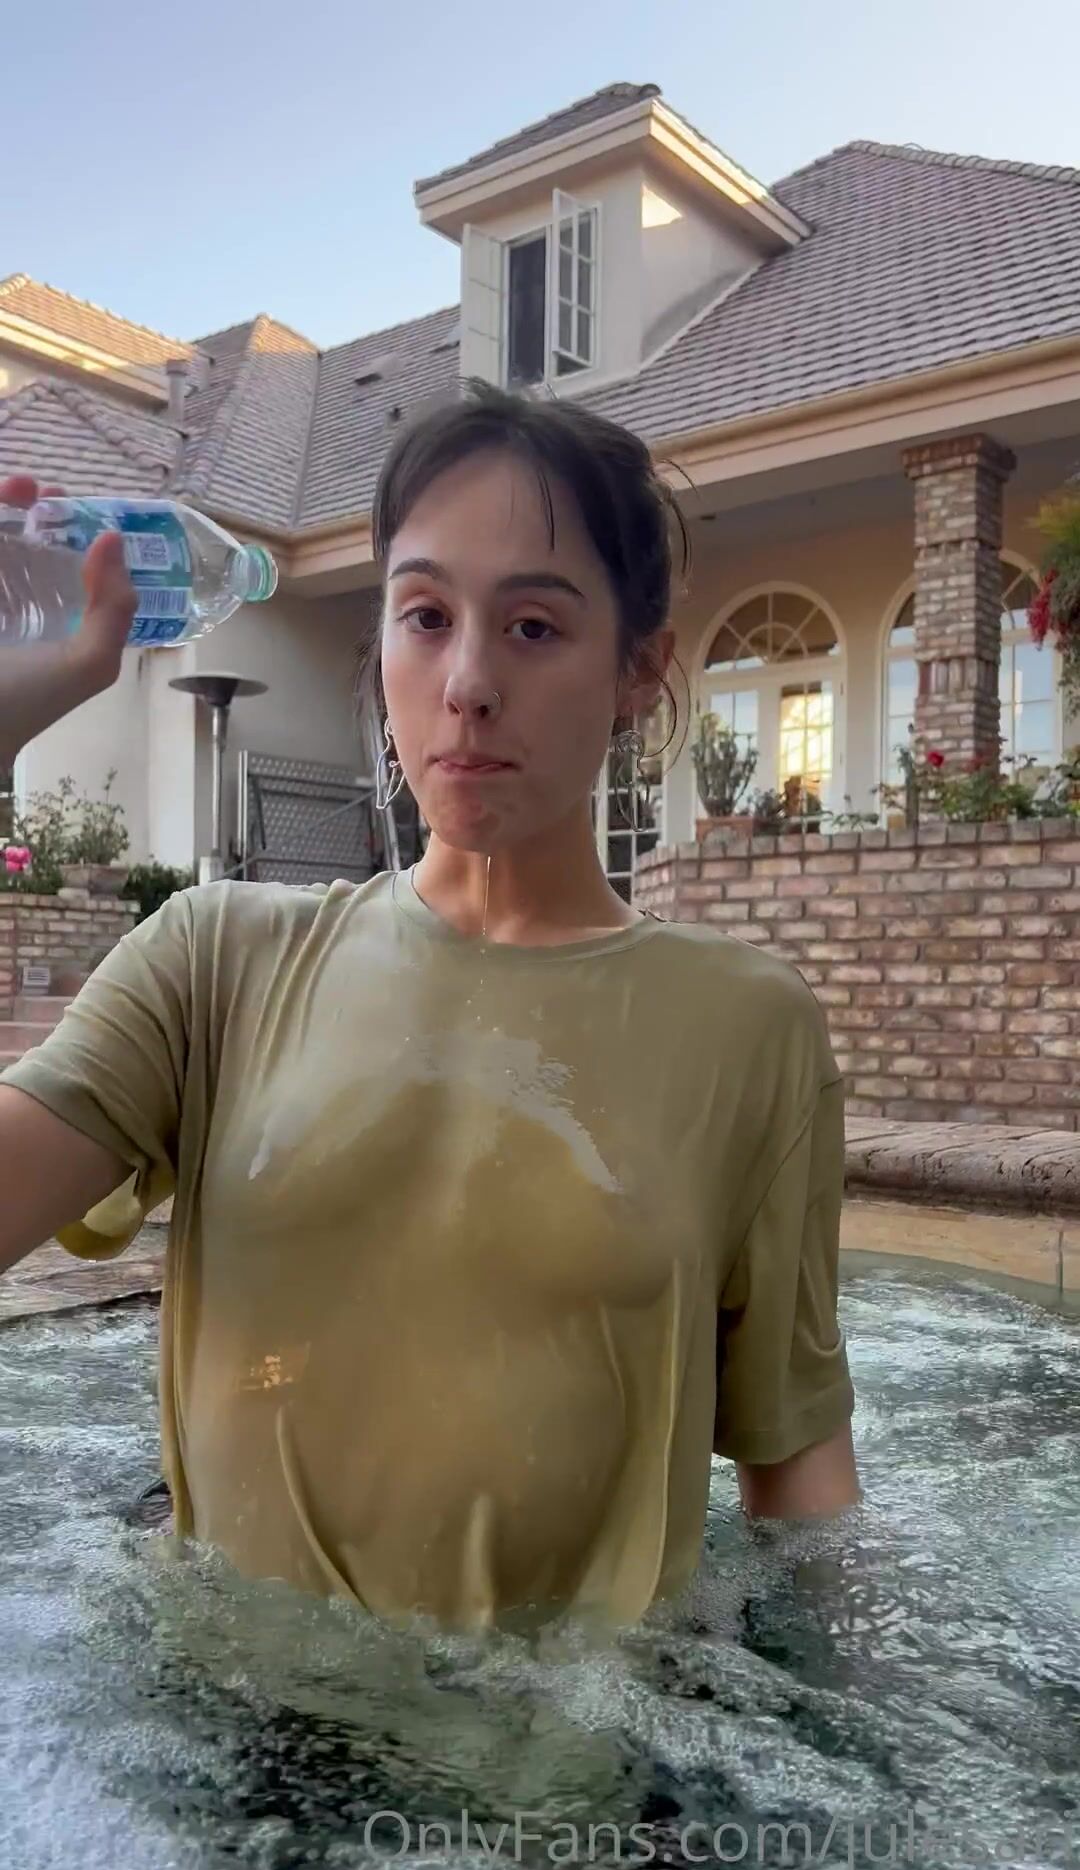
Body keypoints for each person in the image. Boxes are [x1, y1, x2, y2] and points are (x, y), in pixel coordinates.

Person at [0, 384, 858, 1633]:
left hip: (572, 1750)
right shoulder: (214, 961)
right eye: (425, 616)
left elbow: (798, 1473)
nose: (466, 683)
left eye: (533, 626)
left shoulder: (747, 1029)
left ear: (638, 671)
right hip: (228, 1736)